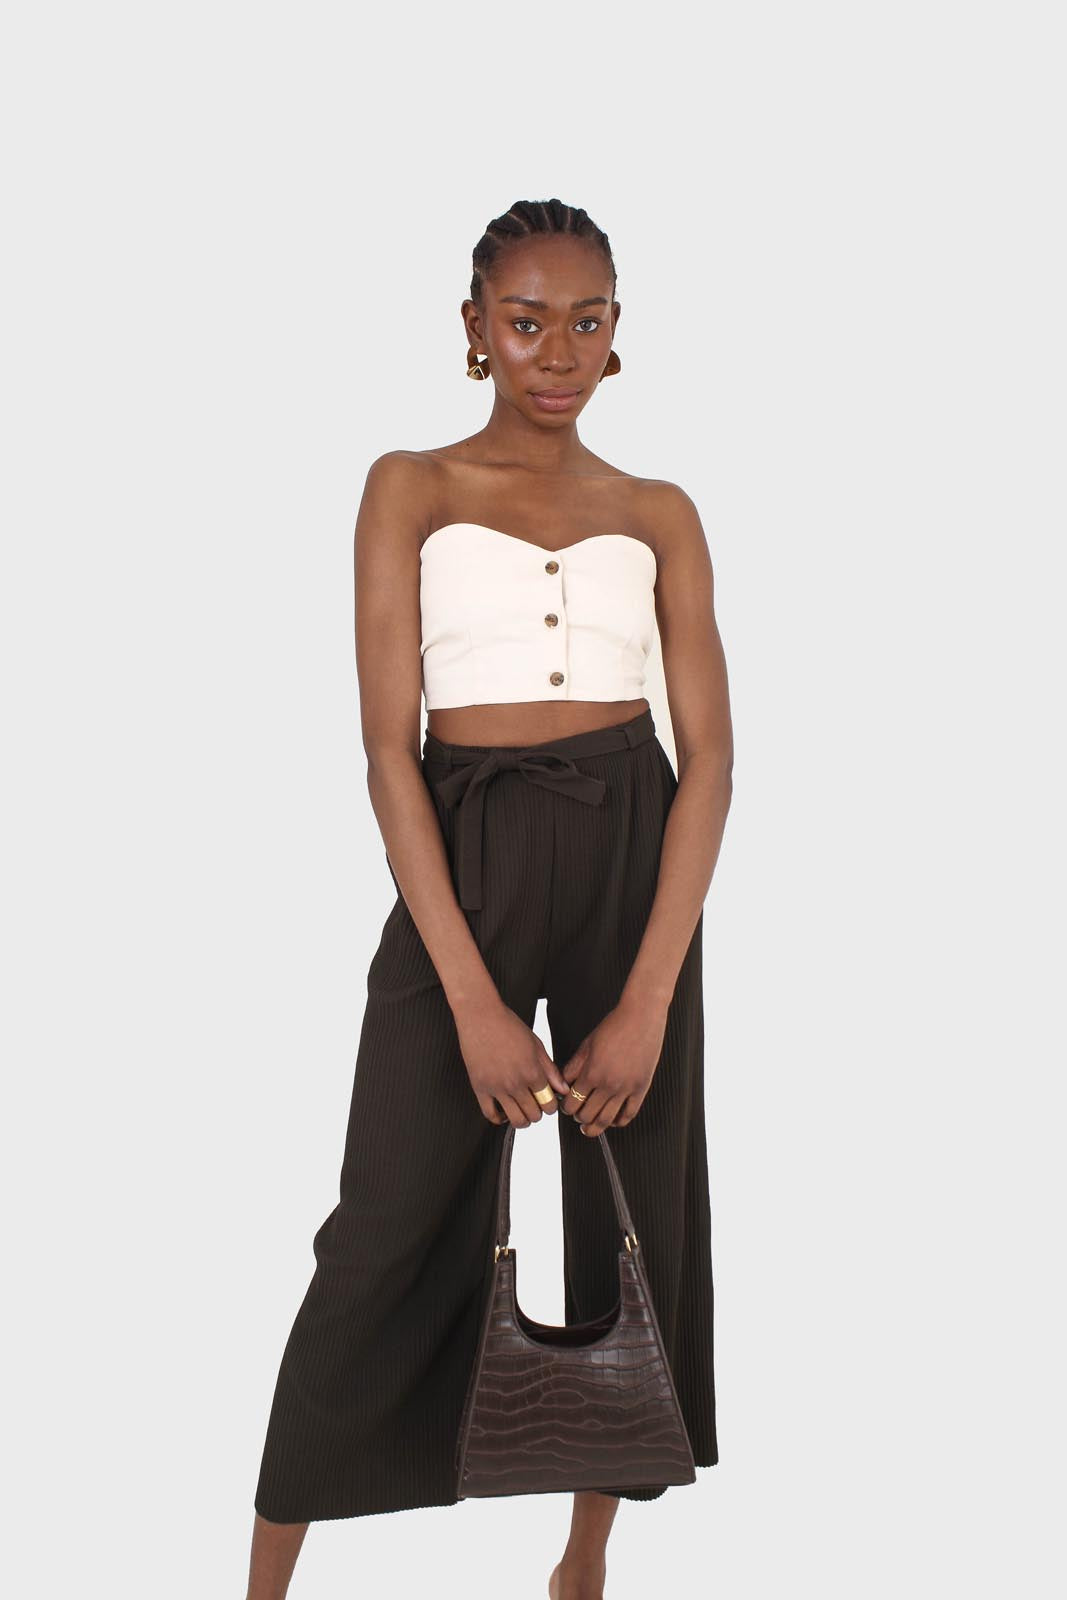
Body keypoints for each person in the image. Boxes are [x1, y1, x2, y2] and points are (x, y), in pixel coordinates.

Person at [245, 196, 734, 1600]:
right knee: (383, 1224)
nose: (556, 352)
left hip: (632, 848)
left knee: (635, 1213)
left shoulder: (658, 511)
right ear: (474, 330)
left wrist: (646, 1000)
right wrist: (468, 1003)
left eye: (586, 321)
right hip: (462, 846)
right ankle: (264, 1583)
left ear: (619, 335)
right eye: (526, 322)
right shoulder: (410, 484)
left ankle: (582, 1564)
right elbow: (386, 753)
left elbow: (711, 760)